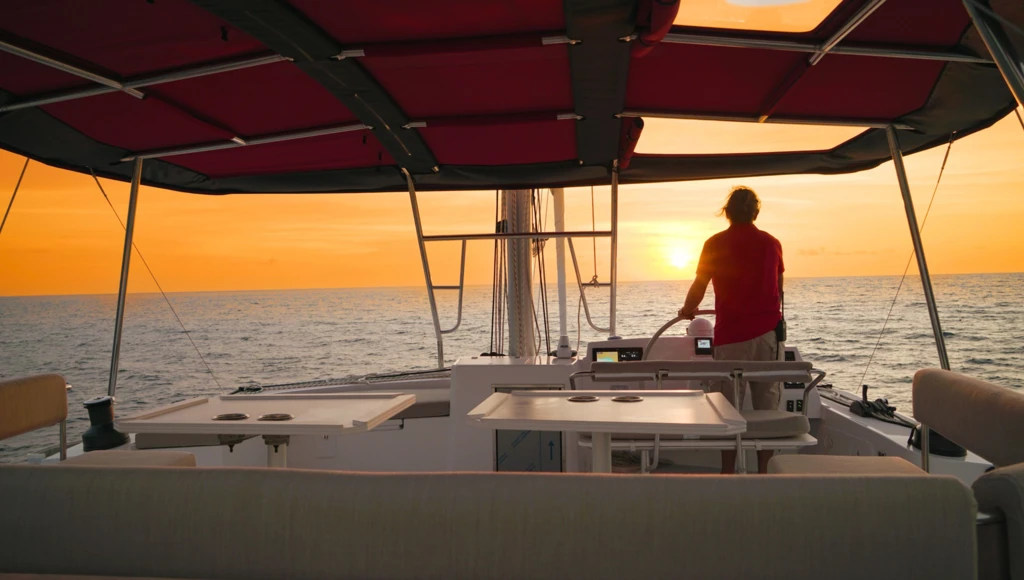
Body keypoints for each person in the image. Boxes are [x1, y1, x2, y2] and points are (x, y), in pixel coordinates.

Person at [678, 186, 784, 474]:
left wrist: (687, 310)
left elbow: (700, 285)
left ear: (727, 213)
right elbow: (779, 290)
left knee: (727, 408)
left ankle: (728, 472)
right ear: (755, 212)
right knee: (768, 406)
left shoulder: (714, 244)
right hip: (767, 336)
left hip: (731, 337)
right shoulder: (772, 243)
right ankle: (764, 474)